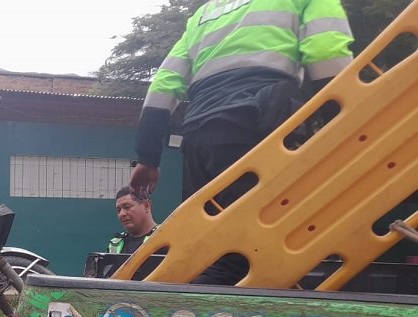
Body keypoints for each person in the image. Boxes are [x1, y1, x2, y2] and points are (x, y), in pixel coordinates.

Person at [130, 0, 354, 284]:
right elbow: (326, 55)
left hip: (200, 134)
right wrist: (345, 124)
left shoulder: (205, 14)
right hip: (260, 125)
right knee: (255, 250)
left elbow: (163, 85)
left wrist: (148, 157)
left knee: (209, 246)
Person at [108, 186, 158, 255]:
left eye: (127, 207)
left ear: (146, 206)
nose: (122, 214)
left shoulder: (166, 237)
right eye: (118, 210)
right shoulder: (115, 244)